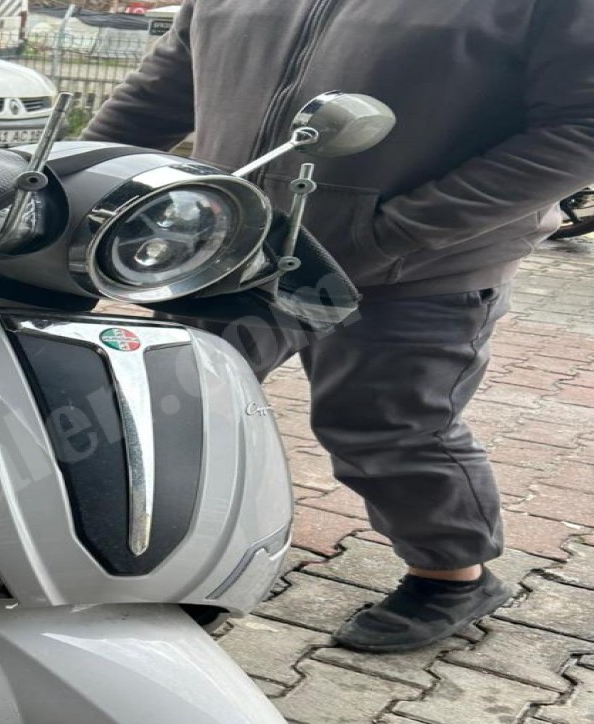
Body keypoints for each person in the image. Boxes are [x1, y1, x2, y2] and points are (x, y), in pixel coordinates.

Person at [84, 0, 594, 653]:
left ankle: (451, 576)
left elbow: (579, 128)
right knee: (176, 409)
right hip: (238, 242)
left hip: (417, 260)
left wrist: (390, 233)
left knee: (385, 425)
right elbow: (161, 93)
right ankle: (185, 554)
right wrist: (69, 180)